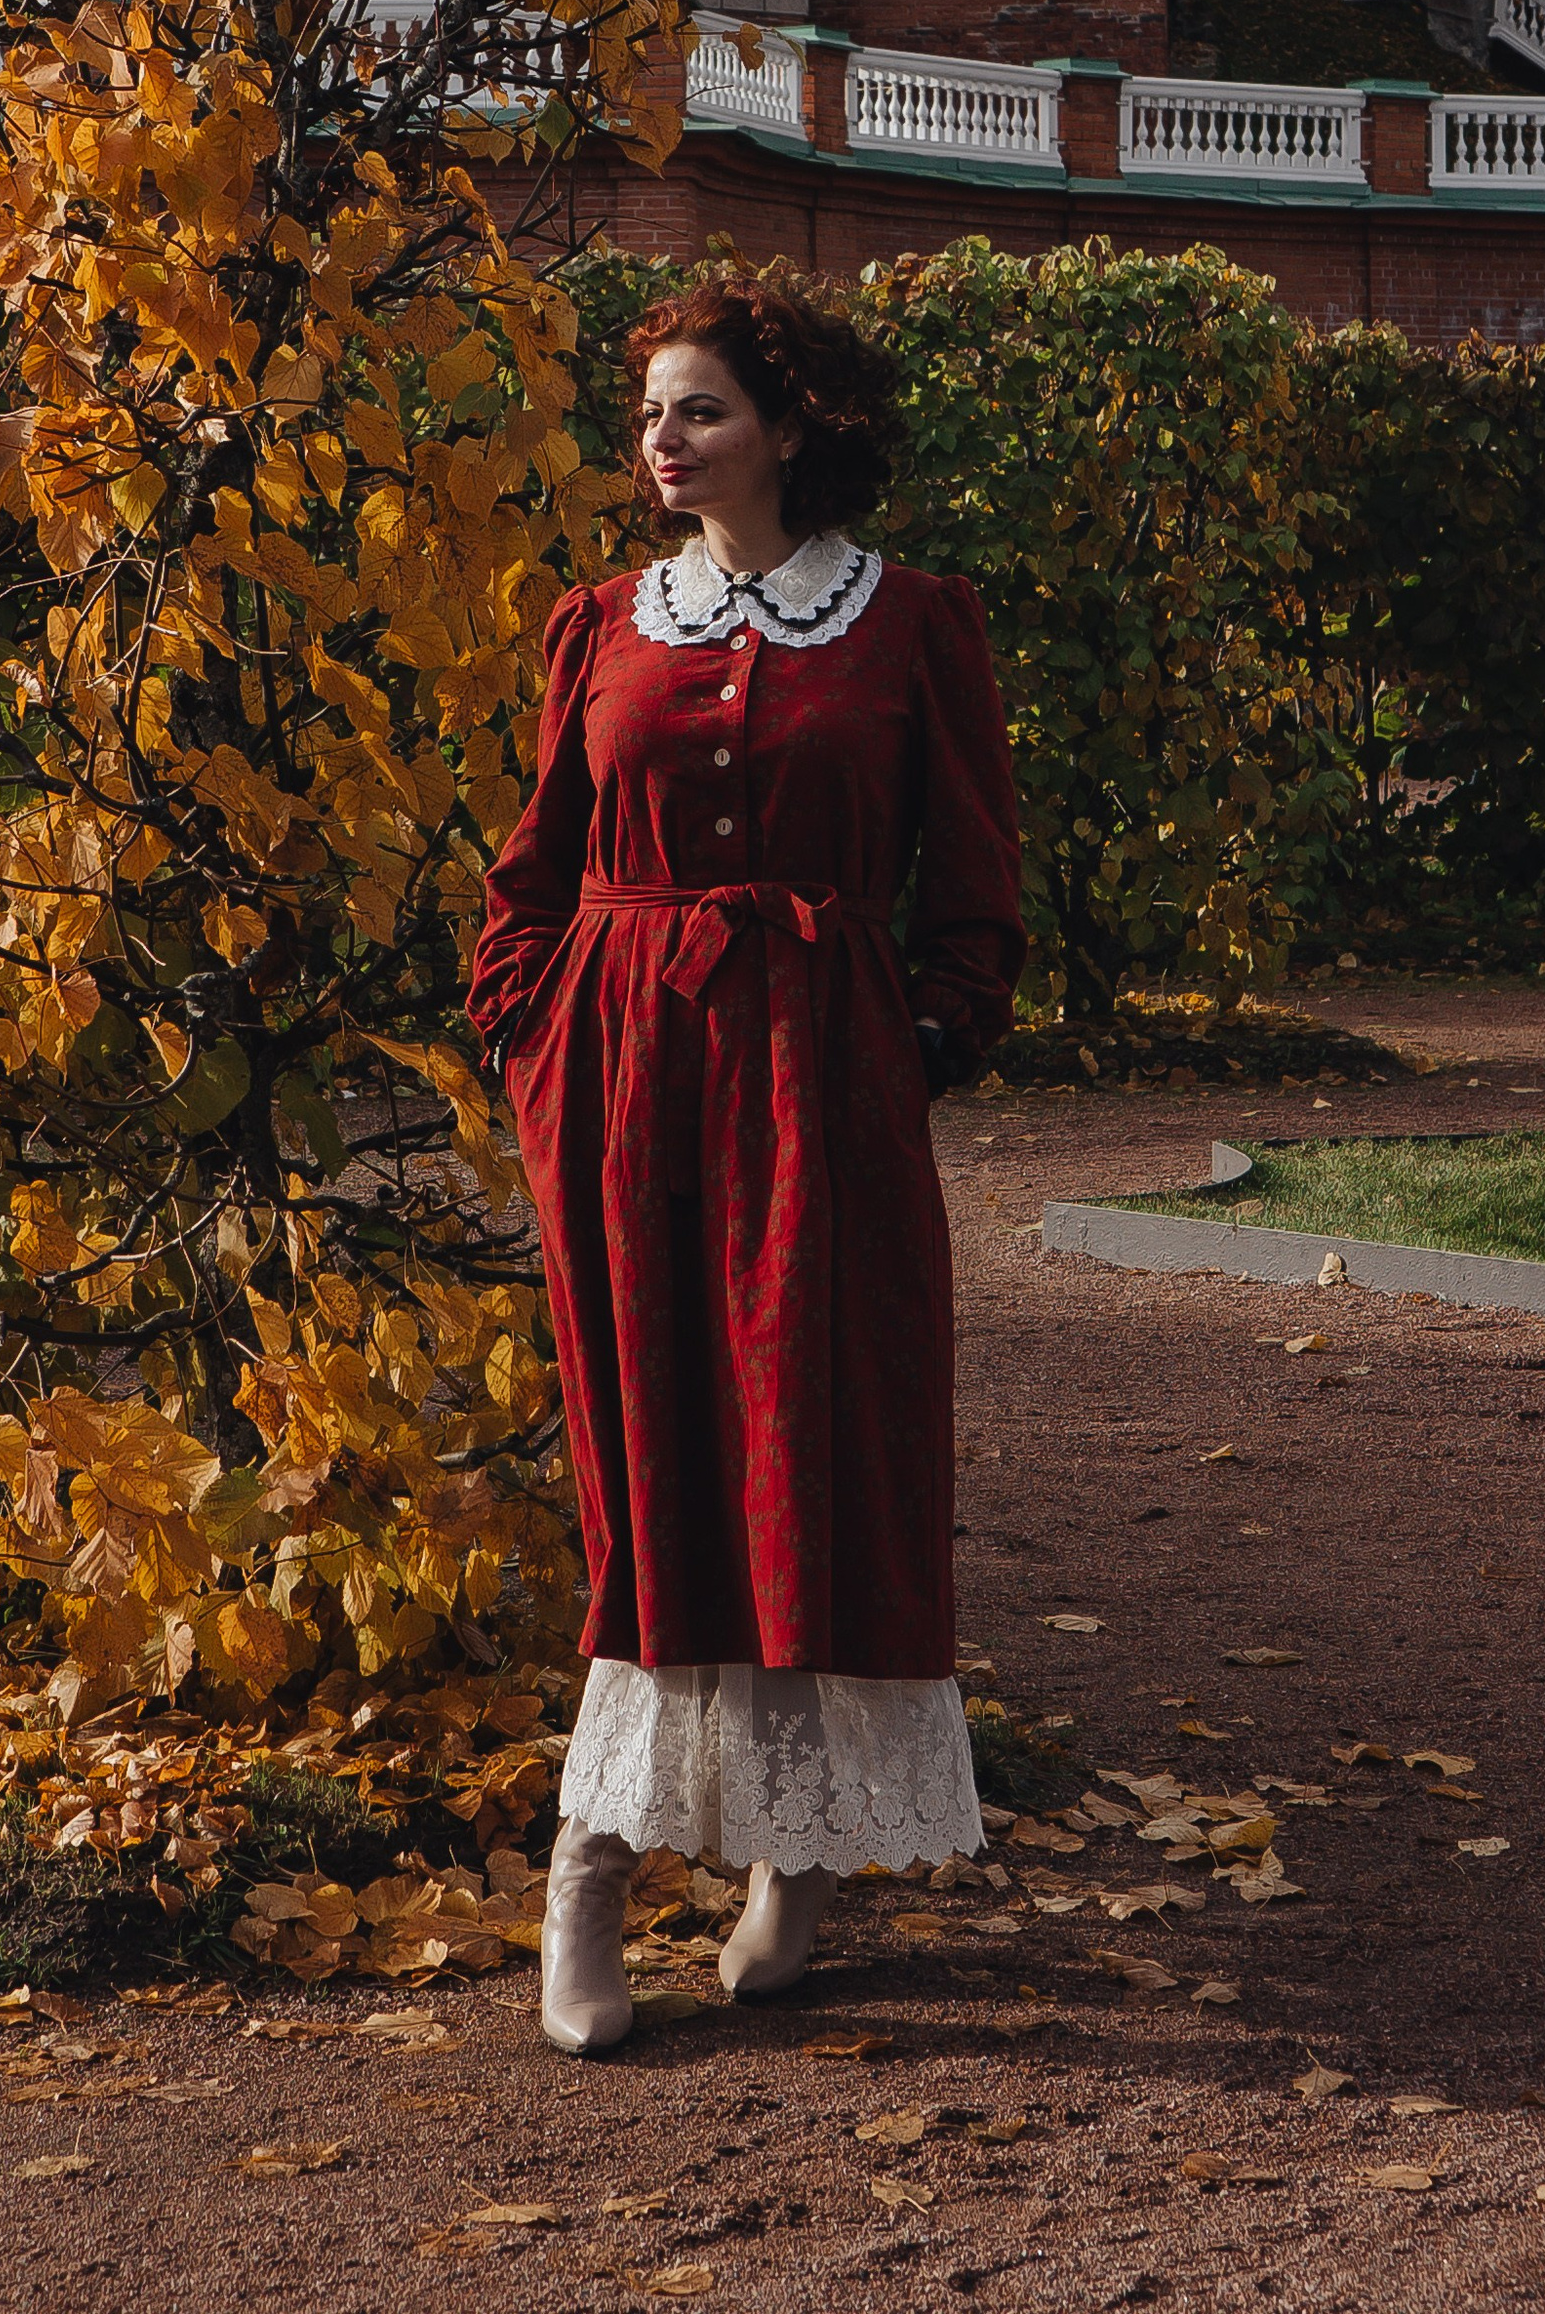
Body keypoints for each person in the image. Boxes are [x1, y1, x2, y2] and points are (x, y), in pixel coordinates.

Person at [469, 275, 1024, 2055]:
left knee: (807, 1446)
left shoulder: (913, 624)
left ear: (789, 429)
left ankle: (792, 1856)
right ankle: (594, 1864)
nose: (661, 437)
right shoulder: (601, 622)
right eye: (648, 411)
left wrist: (917, 1041)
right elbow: (533, 868)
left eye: (697, 407)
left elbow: (978, 889)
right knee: (653, 1457)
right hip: (627, 1077)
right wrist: (532, 1035)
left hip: (824, 1077)